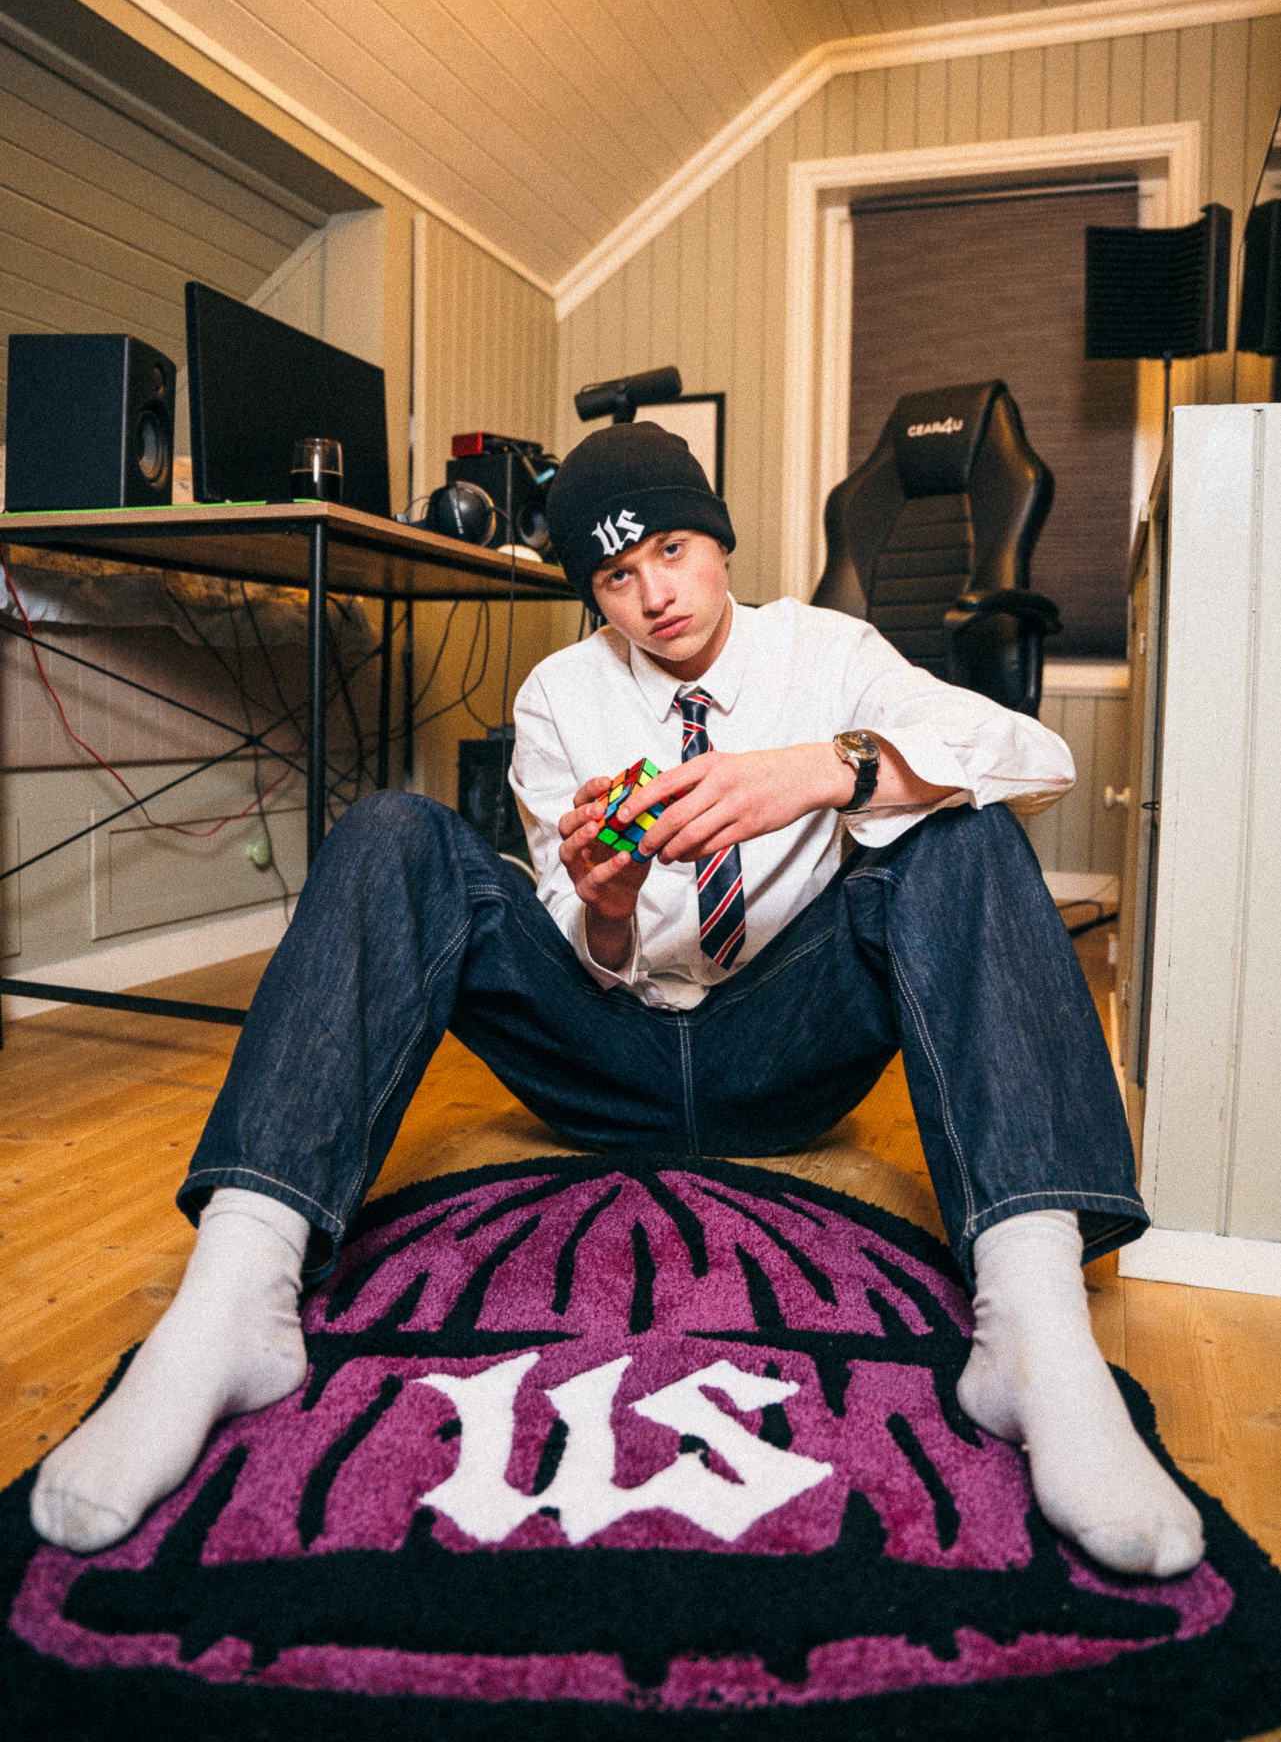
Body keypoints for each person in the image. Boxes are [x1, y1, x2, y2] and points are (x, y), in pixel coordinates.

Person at [30, 424, 1203, 1582]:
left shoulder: (827, 649)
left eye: (673, 552)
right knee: (393, 830)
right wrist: (602, 904)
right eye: (616, 577)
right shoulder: (559, 695)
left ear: (721, 541)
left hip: (783, 1046)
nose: (655, 596)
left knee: (961, 829)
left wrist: (818, 770)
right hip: (604, 1054)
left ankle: (1032, 1328)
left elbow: (1036, 757)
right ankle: (237, 1297)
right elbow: (581, 946)